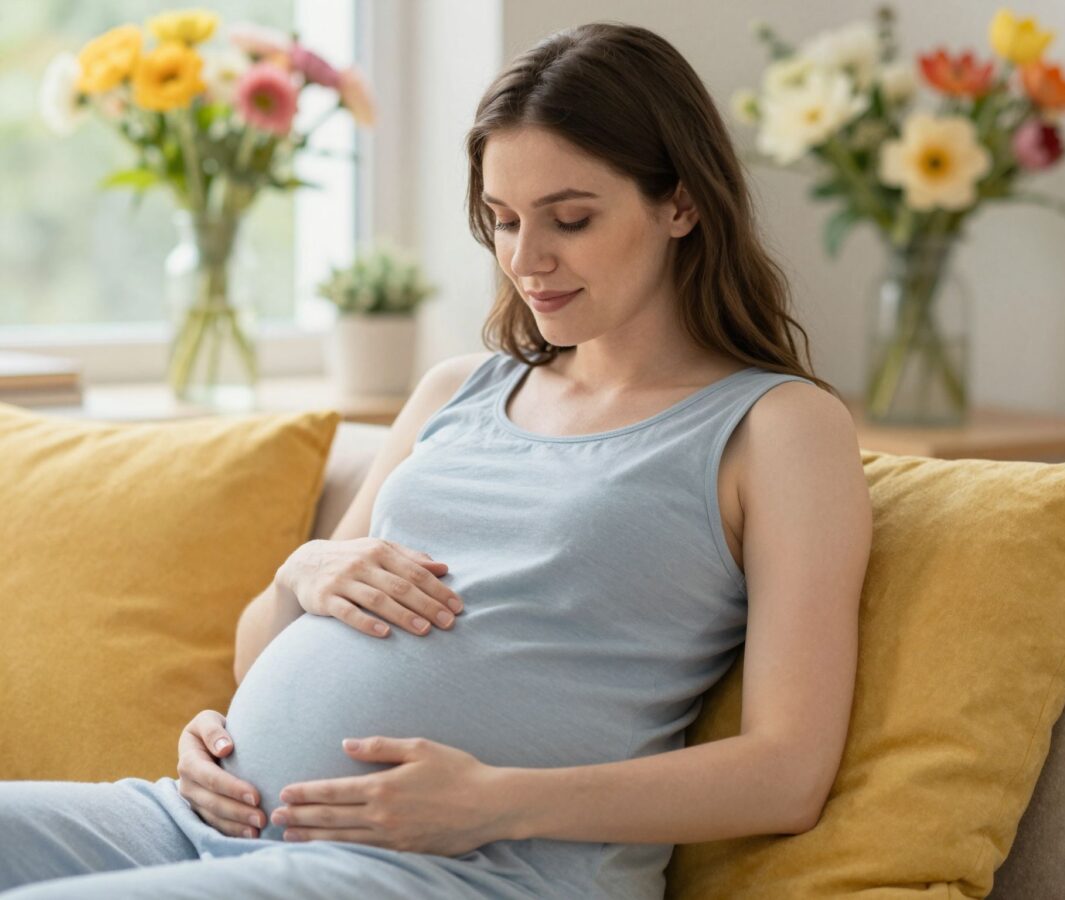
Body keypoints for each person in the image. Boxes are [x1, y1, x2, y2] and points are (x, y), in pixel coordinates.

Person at [0, 20, 871, 900]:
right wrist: (297, 586)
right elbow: (258, 654)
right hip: (202, 821)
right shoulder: (458, 389)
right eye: (502, 221)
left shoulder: (776, 427)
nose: (527, 260)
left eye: (571, 219)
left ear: (680, 204)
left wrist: (495, 803)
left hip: (459, 871)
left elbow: (787, 772)